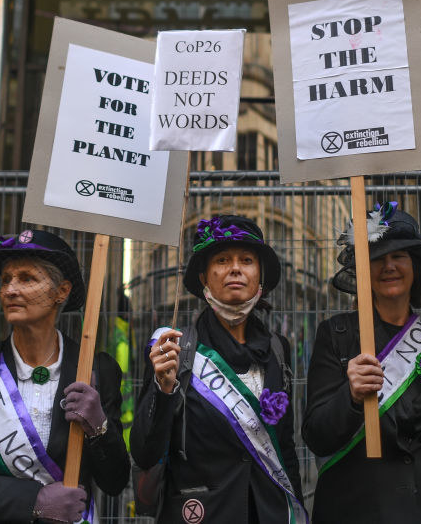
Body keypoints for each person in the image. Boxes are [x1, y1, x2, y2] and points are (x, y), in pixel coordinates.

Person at [0, 229, 129, 523]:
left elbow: (115, 482)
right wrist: (32, 501)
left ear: (62, 291)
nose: (9, 290)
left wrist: (99, 429)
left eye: (27, 278)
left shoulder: (96, 370)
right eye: (6, 279)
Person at [303, 202, 421, 523]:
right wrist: (350, 397)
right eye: (378, 258)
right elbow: (316, 435)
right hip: (358, 509)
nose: (389, 266)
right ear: (363, 272)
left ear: (417, 268)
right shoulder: (337, 335)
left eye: (400, 256)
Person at [130, 215, 306, 523]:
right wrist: (164, 389)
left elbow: (286, 449)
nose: (235, 268)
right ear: (204, 277)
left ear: (260, 275)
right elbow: (144, 453)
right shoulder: (174, 350)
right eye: (222, 260)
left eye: (247, 260)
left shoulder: (278, 349)